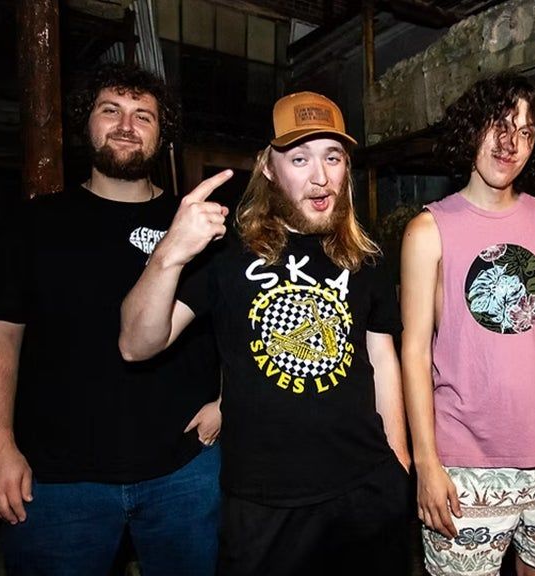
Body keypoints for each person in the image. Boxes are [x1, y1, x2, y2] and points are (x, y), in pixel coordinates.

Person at [119, 90, 412, 575]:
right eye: (299, 158)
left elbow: (381, 359)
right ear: (269, 168)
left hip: (366, 491)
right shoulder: (224, 254)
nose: (320, 177)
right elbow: (136, 344)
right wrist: (169, 252)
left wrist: (398, 462)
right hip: (264, 507)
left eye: (332, 157)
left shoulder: (366, 255)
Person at [0, 63, 222, 575]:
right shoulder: (35, 222)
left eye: (143, 116)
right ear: (87, 123)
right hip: (58, 478)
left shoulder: (196, 223)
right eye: (111, 110)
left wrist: (227, 401)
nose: (126, 125)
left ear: (161, 134)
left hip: (184, 469)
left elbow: (242, 324)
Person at [401, 74, 535, 576]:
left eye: (526, 132)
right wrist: (426, 462)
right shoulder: (428, 230)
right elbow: (415, 353)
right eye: (500, 126)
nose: (511, 144)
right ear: (472, 129)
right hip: (464, 463)